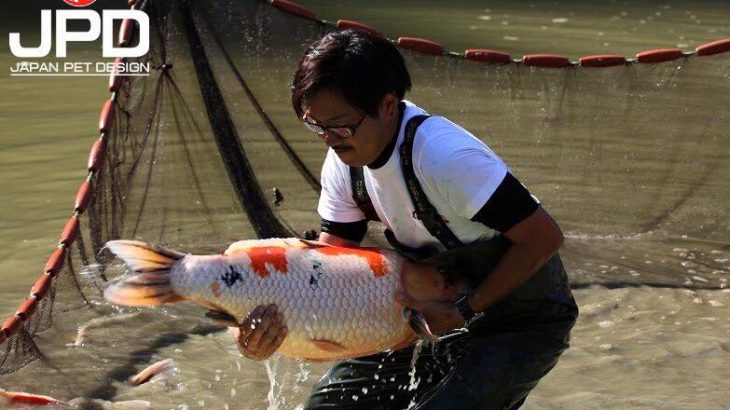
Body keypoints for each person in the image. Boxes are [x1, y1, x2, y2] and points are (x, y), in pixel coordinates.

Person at [213, 29, 578, 409]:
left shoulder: (444, 157)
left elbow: (544, 237)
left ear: (388, 105)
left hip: (521, 321)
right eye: (315, 125)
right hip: (425, 319)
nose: (328, 139)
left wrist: (463, 311)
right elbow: (326, 271)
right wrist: (269, 333)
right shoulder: (344, 164)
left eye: (339, 125)